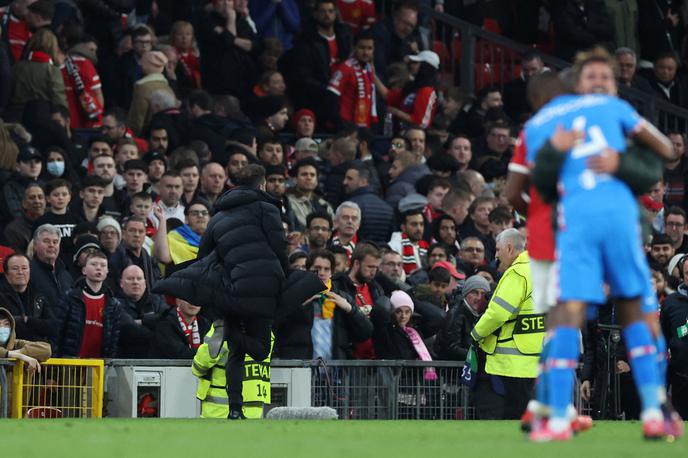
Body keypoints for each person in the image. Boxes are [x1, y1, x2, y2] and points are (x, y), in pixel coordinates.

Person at [523, 50, 677, 441]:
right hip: (597, 224)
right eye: (591, 77)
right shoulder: (602, 112)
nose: (599, 84)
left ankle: (563, 414)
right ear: (577, 83)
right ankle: (644, 411)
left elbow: (536, 185)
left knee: (586, 317)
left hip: (597, 225)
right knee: (609, 317)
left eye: (605, 77)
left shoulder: (565, 119)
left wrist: (613, 162)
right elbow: (665, 148)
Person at [195, 164, 289, 419]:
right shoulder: (268, 210)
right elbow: (279, 249)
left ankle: (234, 408)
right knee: (257, 345)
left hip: (230, 289)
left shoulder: (219, 216)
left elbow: (203, 257)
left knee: (235, 352)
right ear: (262, 185)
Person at [470, 229, 543, 420]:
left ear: (510, 248)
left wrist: (476, 334)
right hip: (532, 356)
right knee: (524, 412)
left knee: (514, 415)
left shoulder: (517, 273)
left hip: (513, 360)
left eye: (498, 250)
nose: (495, 255)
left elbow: (497, 313)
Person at [274, 249, 372, 359]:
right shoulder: (294, 296)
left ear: (332, 273)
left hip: (335, 372)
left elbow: (365, 333)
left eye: (326, 269)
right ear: (307, 270)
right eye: (317, 268)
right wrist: (299, 306)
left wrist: (350, 310)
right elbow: (276, 327)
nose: (321, 273)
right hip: (301, 370)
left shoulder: (342, 298)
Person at [193, 322, 273, 419]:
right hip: (255, 413)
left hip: (220, 412)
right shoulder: (266, 332)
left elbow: (198, 368)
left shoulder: (224, 328)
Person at [56, 251, 121, 358]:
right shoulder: (70, 298)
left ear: (107, 271)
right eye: (94, 264)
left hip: (99, 366)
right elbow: (58, 332)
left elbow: (114, 340)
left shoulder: (113, 304)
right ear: (84, 270)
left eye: (103, 265)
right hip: (71, 363)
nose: (98, 268)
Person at [0, 252, 57, 345]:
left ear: (30, 271)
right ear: (6, 274)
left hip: (36, 351)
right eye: (15, 268)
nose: (20, 272)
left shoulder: (39, 296)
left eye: (24, 268)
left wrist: (27, 320)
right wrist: (34, 325)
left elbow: (53, 327)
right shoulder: (1, 295)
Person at [326, 30, 377, 129]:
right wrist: (341, 124)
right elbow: (331, 96)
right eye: (362, 48)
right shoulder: (345, 68)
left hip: (363, 127)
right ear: (354, 47)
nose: (366, 52)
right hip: (347, 129)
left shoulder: (369, 69)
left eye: (369, 48)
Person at [342, 162, 394, 244]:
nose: (344, 182)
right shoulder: (387, 208)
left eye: (349, 179)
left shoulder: (350, 206)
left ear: (363, 182)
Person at [0, 307, 51, 373]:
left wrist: (18, 352)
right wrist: (18, 356)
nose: (2, 328)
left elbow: (46, 349)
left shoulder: (15, 344)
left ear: (12, 327)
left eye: (6, 324)